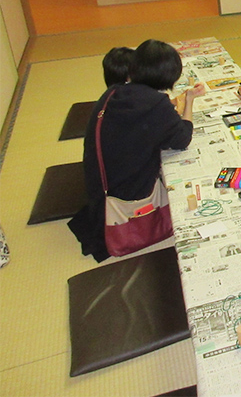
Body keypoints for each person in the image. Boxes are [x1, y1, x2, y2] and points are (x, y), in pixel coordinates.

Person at [69, 39, 205, 262]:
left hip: (99, 183)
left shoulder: (114, 92)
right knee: (184, 178)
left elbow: (142, 123)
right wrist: (189, 101)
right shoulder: (156, 103)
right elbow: (183, 138)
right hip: (126, 194)